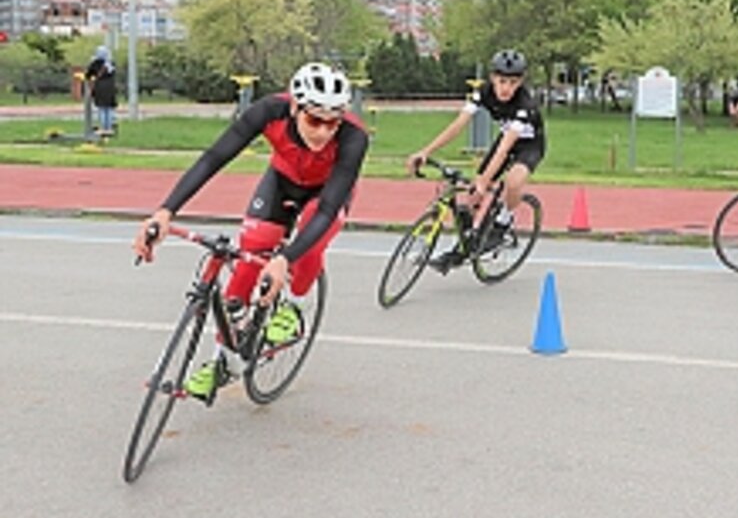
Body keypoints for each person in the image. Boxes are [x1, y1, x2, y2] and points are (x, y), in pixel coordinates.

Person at [132, 62, 369, 400]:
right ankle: (222, 361)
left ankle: (295, 307)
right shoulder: (267, 112)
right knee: (251, 250)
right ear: (294, 108)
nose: (323, 132)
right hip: (282, 181)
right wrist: (166, 210)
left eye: (333, 122)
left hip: (326, 193)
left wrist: (286, 259)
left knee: (310, 243)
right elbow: (214, 158)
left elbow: (329, 208)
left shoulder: (354, 137)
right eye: (314, 120)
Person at [405, 49, 546, 273]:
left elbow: (503, 150)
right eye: (501, 81)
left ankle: (504, 221)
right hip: (504, 139)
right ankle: (465, 246)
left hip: (527, 146)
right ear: (492, 78)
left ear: (520, 82)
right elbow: (458, 125)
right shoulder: (484, 93)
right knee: (471, 197)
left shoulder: (524, 105)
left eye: (512, 82)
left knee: (513, 180)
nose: (506, 88)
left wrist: (485, 182)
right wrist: (426, 151)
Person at [85, 45, 117, 136]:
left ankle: (103, 128)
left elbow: (88, 75)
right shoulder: (111, 63)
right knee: (109, 108)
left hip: (100, 87)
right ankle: (109, 128)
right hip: (110, 88)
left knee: (102, 108)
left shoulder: (95, 63)